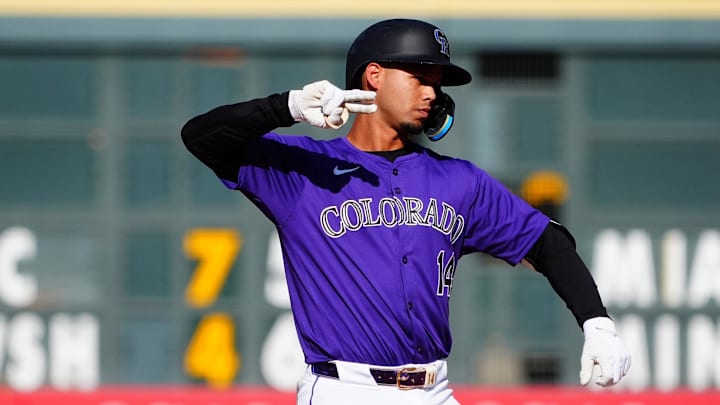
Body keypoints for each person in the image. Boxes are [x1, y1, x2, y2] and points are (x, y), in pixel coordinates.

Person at [181, 18, 630, 405]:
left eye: (436, 81)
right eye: (419, 76)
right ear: (374, 75)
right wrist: (287, 107)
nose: (432, 91)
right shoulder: (302, 170)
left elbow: (548, 242)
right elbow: (201, 137)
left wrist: (597, 324)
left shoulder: (460, 181)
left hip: (435, 388)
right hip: (345, 391)